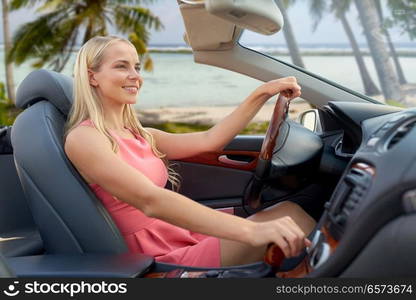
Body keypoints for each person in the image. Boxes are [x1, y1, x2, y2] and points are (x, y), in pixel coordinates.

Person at [64, 36, 316, 268]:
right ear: (92, 76)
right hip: (155, 258)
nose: (135, 76)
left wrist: (263, 92)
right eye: (121, 66)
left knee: (291, 214)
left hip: (178, 234)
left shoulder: (141, 134)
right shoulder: (85, 138)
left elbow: (209, 139)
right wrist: (250, 231)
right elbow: (151, 200)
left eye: (137, 67)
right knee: (293, 224)